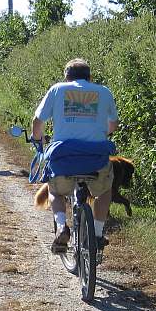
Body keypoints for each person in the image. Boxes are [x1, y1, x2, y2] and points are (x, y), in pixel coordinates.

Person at [31, 59, 119, 253]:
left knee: (55, 191)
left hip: (64, 157)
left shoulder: (57, 89)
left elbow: (38, 121)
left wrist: (37, 141)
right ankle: (96, 234)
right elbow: (113, 124)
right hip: (96, 157)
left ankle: (62, 226)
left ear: (67, 77)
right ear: (90, 77)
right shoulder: (104, 91)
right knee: (104, 191)